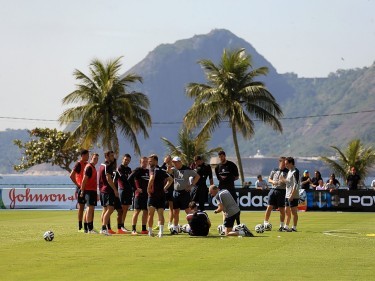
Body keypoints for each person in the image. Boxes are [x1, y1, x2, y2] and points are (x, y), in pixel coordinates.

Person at [170, 156, 200, 234]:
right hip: (176, 192)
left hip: (184, 193)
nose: (174, 164)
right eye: (173, 162)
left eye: (176, 162)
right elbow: (168, 173)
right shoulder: (174, 169)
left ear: (180, 162)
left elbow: (197, 176)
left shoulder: (187, 169)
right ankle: (175, 229)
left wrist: (191, 185)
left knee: (188, 211)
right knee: (175, 212)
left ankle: (193, 227)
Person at [146, 154, 173, 237]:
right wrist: (165, 188)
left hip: (153, 195)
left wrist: (148, 189)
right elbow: (171, 180)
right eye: (148, 161)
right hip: (161, 195)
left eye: (150, 161)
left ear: (155, 161)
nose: (149, 163)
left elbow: (151, 178)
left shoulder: (152, 169)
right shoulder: (162, 170)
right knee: (160, 214)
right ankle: (161, 232)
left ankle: (150, 232)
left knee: (151, 214)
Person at [263, 157, 288, 232]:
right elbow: (269, 179)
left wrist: (283, 180)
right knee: (269, 206)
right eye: (283, 162)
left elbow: (289, 182)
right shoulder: (274, 169)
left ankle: (281, 225)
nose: (285, 164)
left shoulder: (288, 171)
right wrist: (273, 182)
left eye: (286, 163)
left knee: (281, 209)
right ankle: (265, 223)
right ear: (280, 162)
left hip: (282, 191)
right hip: (273, 190)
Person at [99, 150, 119, 235]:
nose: (113, 157)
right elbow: (108, 179)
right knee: (110, 209)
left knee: (105, 209)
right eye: (111, 156)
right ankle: (104, 228)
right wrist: (115, 190)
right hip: (108, 190)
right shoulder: (108, 166)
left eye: (113, 155)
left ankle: (103, 228)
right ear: (106, 156)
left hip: (102, 190)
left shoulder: (101, 165)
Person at [128, 156, 149, 235]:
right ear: (140, 162)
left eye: (146, 161)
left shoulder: (148, 171)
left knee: (145, 211)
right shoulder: (138, 170)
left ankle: (144, 229)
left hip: (146, 195)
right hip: (138, 195)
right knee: (137, 211)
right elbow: (129, 179)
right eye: (143, 162)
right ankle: (133, 230)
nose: (145, 163)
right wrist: (135, 189)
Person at [69, 149, 90, 232]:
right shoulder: (78, 164)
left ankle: (88, 226)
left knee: (88, 207)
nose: (88, 157)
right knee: (81, 207)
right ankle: (80, 227)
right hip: (81, 188)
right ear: (83, 155)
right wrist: (78, 185)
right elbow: (71, 175)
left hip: (87, 188)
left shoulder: (87, 164)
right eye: (87, 155)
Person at [80, 153, 99, 234]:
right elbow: (84, 180)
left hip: (92, 190)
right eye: (94, 158)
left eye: (97, 159)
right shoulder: (89, 167)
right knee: (90, 208)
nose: (96, 160)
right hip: (89, 190)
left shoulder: (93, 167)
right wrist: (82, 190)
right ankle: (90, 228)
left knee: (88, 209)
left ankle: (86, 228)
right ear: (91, 158)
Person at [114, 153, 133, 234]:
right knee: (121, 210)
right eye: (125, 160)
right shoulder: (119, 168)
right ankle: (119, 226)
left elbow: (131, 180)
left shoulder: (129, 169)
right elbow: (124, 178)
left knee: (126, 209)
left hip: (129, 191)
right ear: (122, 159)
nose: (127, 161)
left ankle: (122, 225)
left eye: (128, 160)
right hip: (122, 190)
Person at [281, 157, 300, 232]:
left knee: (294, 212)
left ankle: (294, 228)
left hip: (293, 195)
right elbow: (289, 182)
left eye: (286, 164)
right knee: (286, 211)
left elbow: (296, 184)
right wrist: (283, 180)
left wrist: (292, 195)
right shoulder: (289, 171)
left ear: (291, 163)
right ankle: (286, 226)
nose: (285, 165)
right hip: (287, 194)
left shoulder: (295, 171)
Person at [160, 155, 174, 229]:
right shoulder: (162, 168)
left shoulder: (173, 168)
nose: (168, 161)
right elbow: (161, 170)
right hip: (162, 189)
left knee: (171, 208)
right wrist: (164, 163)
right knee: (160, 208)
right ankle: (159, 223)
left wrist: (169, 169)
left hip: (171, 189)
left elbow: (171, 178)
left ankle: (170, 223)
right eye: (166, 159)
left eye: (169, 159)